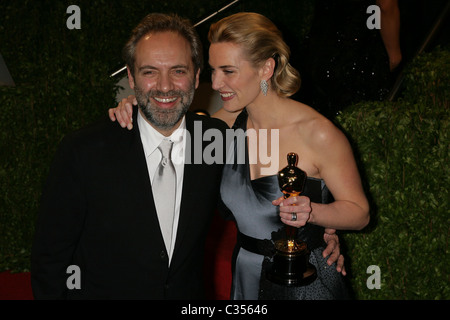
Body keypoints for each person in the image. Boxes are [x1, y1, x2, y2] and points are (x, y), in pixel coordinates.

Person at [110, 13, 369, 300]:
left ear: (266, 69)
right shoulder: (220, 129)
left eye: (228, 71)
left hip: (304, 282)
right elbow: (167, 134)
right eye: (213, 70)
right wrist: (138, 105)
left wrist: (315, 214)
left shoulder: (318, 133)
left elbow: (360, 213)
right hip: (245, 277)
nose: (217, 83)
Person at [31, 13, 229, 299]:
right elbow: (50, 260)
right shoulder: (83, 151)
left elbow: (248, 200)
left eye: (178, 70)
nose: (164, 86)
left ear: (197, 76)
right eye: (149, 72)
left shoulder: (213, 138)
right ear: (131, 76)